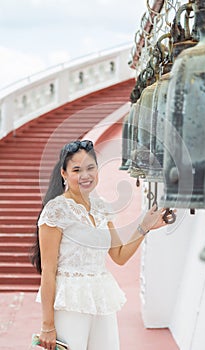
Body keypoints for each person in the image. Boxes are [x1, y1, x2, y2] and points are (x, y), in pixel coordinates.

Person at [30, 139, 176, 350]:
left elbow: (119, 256)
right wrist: (47, 326)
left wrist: (144, 227)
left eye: (91, 168)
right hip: (70, 300)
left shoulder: (101, 207)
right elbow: (48, 271)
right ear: (64, 173)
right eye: (77, 170)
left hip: (100, 297)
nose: (85, 175)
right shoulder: (56, 210)